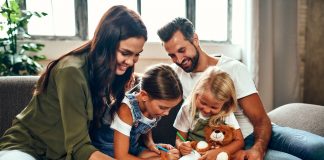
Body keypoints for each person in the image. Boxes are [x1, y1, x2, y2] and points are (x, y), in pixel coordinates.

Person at [157, 17, 324, 160]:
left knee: (318, 148)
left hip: (262, 132)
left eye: (182, 50)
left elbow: (260, 120)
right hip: (229, 145)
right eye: (172, 55)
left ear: (195, 39)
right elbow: (147, 87)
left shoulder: (233, 68)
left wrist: (258, 148)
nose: (178, 59)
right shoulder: (174, 76)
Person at [0, 5, 147, 160]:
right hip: (26, 149)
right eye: (125, 53)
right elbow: (79, 148)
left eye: (137, 54)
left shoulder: (113, 72)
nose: (131, 61)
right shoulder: (71, 72)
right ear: (106, 44)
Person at [91, 64, 182, 159]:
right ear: (144, 96)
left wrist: (151, 144)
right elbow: (121, 156)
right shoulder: (125, 110)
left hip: (132, 149)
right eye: (163, 107)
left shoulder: (154, 110)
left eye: (170, 108)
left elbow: (146, 127)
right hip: (108, 150)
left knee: (167, 156)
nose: (167, 113)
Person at [174, 67, 244, 160]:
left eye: (214, 107)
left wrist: (219, 152)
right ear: (197, 93)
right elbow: (179, 138)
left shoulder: (225, 113)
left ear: (225, 104)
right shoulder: (187, 108)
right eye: (203, 103)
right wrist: (181, 146)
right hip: (195, 152)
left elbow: (239, 141)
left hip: (220, 152)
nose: (207, 110)